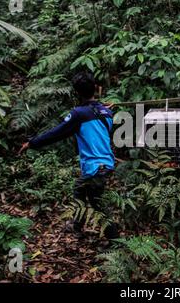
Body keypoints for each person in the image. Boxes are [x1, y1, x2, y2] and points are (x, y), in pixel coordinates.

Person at [19, 71, 118, 239]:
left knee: (98, 205)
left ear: (76, 93)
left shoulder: (78, 114)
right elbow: (97, 116)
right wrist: (102, 108)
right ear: (95, 88)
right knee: (79, 189)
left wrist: (32, 143)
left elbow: (56, 133)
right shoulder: (107, 112)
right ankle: (77, 227)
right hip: (104, 163)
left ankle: (116, 242)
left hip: (96, 166)